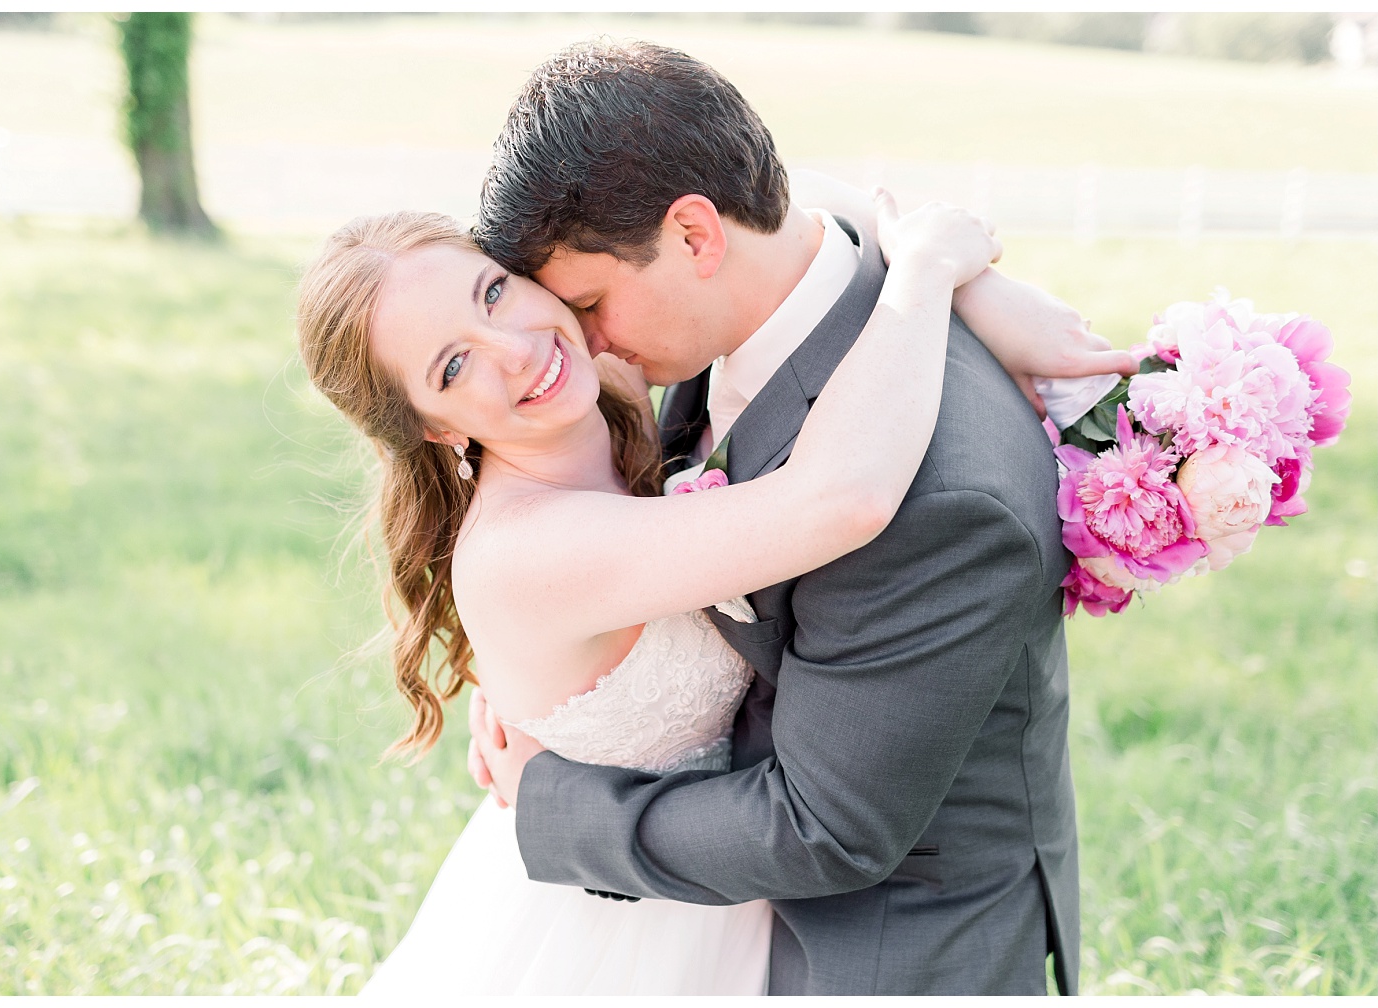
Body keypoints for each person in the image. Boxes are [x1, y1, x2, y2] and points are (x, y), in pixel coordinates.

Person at [463, 39, 1136, 996]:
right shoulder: (748, 294)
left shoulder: (941, 498)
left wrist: (553, 800)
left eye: (590, 304)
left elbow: (827, 828)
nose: (585, 345)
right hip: (722, 917)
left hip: (883, 953)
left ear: (695, 238)